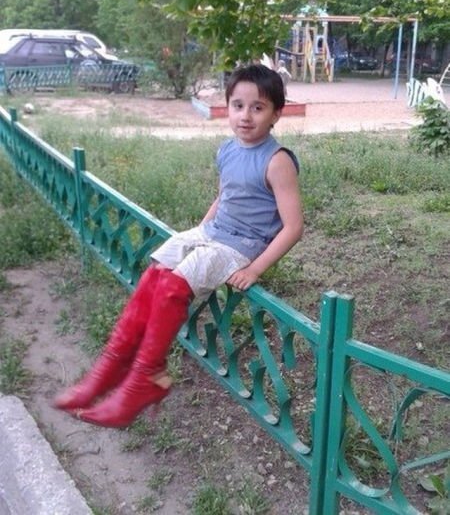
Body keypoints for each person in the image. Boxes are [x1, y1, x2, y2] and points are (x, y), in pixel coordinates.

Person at [53, 64, 304, 428]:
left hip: (242, 247)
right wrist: (200, 231)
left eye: (258, 107)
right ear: (227, 107)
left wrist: (255, 269)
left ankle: (145, 377)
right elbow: (227, 195)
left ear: (276, 114)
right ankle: (110, 368)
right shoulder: (228, 149)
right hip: (214, 232)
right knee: (155, 275)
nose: (245, 116)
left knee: (172, 287)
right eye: (238, 106)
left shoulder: (277, 161)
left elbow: (293, 227)